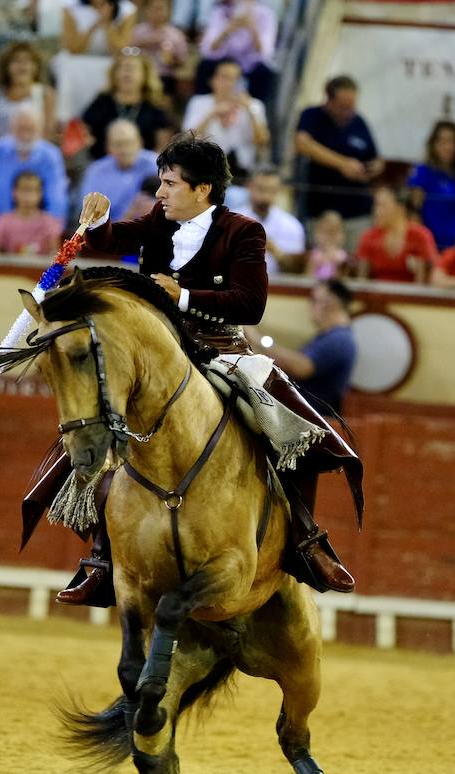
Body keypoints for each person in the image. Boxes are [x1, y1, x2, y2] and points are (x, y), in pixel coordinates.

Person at [31, 131, 362, 605]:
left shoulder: (244, 231)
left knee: (297, 429)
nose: (160, 192)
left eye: (169, 183)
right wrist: (93, 221)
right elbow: (112, 238)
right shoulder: (158, 222)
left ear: (202, 188)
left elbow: (250, 304)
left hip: (221, 351)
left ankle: (307, 540)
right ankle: (102, 557)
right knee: (93, 422)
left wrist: (181, 296)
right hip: (158, 354)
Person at [248, 279, 357, 414]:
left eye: (314, 300)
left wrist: (257, 341)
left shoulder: (339, 339)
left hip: (309, 418)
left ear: (330, 303)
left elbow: (301, 367)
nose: (310, 306)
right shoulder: (335, 337)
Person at [293, 75, 382, 240]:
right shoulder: (312, 116)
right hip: (321, 207)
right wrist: (342, 164)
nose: (348, 109)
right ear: (329, 100)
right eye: (343, 105)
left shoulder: (359, 122)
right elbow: (302, 143)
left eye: (352, 104)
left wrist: (372, 168)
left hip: (357, 209)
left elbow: (376, 157)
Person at [181, 56, 268, 177]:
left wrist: (250, 110)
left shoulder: (255, 105)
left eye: (236, 78)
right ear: (213, 79)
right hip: (204, 168)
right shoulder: (199, 102)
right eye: (225, 77)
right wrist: (212, 114)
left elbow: (262, 141)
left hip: (240, 171)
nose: (230, 83)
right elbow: (187, 139)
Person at [52, 0, 137, 122]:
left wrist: (107, 23)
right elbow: (74, 48)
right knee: (69, 67)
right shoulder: (70, 8)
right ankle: (68, 121)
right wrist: (94, 25)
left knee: (120, 68)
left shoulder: (127, 9)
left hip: (110, 60)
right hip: (78, 59)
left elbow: (120, 48)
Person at [79, 51, 173, 161]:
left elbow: (162, 143)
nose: (127, 73)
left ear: (144, 74)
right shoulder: (102, 101)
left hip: (144, 168)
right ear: (114, 74)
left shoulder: (155, 104)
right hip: (105, 164)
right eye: (122, 68)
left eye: (132, 68)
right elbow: (84, 130)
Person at [407, 119, 455, 251]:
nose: (448, 146)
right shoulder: (423, 172)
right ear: (433, 144)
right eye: (442, 141)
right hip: (431, 246)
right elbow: (413, 214)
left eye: (452, 141)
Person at [76, 119, 158, 226]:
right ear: (108, 146)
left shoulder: (157, 164)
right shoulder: (96, 171)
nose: (125, 150)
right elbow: (88, 212)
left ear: (140, 142)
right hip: (110, 232)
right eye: (119, 144)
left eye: (129, 143)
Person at [194, 0, 276, 106]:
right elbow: (208, 49)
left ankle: (255, 109)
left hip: (249, 65)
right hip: (224, 60)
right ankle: (201, 105)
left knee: (263, 72)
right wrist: (228, 29)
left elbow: (265, 53)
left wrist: (252, 28)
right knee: (205, 66)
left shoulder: (266, 14)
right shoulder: (220, 11)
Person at [354, 184, 438, 284]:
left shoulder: (421, 236)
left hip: (410, 297)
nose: (376, 211)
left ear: (400, 209)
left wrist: (419, 269)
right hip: (377, 297)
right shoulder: (369, 237)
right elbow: (361, 281)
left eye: (382, 206)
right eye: (375, 205)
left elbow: (428, 279)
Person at [0, 41, 56, 144]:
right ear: (7, 67)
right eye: (16, 61)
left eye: (28, 61)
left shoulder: (46, 94)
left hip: (33, 152)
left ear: (36, 66)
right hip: (2, 151)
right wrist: (2, 148)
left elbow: (47, 132)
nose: (22, 65)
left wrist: (25, 149)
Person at [231, 165, 304, 274]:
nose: (265, 196)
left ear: (279, 190)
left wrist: (274, 251)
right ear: (249, 186)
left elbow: (297, 271)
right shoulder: (231, 220)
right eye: (261, 189)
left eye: (271, 190)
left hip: (277, 287)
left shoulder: (292, 225)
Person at [0, 169, 63, 254]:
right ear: (14, 192)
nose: (27, 196)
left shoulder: (51, 225)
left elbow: (55, 256)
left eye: (32, 190)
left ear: (40, 193)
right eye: (23, 190)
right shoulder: (0, 224)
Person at [129, 0, 187, 98]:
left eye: (160, 9)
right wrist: (142, 44)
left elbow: (181, 63)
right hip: (140, 75)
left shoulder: (176, 35)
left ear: (168, 11)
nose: (157, 12)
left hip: (164, 77)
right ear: (146, 10)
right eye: (153, 8)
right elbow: (125, 53)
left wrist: (172, 59)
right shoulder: (137, 31)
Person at [306, 209, 348, 280]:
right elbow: (306, 278)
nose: (329, 237)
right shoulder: (312, 256)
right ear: (316, 233)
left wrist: (337, 265)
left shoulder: (343, 257)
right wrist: (314, 264)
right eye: (325, 232)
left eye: (334, 233)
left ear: (342, 236)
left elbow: (343, 283)